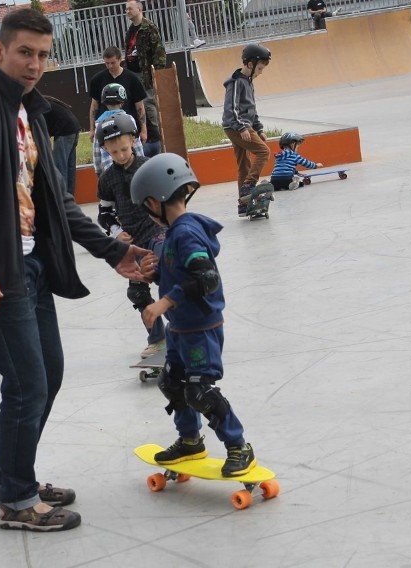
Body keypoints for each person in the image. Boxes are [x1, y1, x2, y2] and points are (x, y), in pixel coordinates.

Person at [0, 8, 151, 533]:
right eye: (24, 52)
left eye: (43, 55)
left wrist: (111, 251)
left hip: (30, 267)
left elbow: (55, 200)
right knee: (27, 382)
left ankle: (11, 476)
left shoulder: (29, 111)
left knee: (47, 375)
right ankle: (18, 500)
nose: (34, 64)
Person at [130, 152, 258, 478]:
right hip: (180, 329)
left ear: (152, 201)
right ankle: (190, 441)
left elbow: (205, 279)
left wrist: (163, 303)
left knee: (199, 391)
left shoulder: (186, 233)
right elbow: (177, 274)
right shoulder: (173, 234)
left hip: (201, 328)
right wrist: (151, 277)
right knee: (173, 382)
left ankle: (239, 446)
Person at [96, 112, 166, 359]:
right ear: (105, 149)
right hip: (133, 245)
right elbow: (104, 214)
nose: (120, 155)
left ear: (134, 140)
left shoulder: (148, 167)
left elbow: (168, 200)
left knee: (168, 279)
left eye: (124, 149)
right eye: (113, 152)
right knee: (137, 292)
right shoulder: (107, 179)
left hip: (157, 234)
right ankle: (158, 339)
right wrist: (116, 232)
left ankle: (186, 329)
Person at [222, 44, 272, 217]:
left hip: (243, 126)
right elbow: (231, 108)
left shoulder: (248, 83)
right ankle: (248, 186)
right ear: (250, 65)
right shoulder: (235, 82)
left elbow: (252, 109)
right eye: (259, 68)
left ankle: (243, 205)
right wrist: (242, 127)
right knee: (264, 152)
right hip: (236, 127)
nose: (260, 72)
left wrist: (258, 128)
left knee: (244, 165)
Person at [88, 46, 147, 144]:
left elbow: (140, 107)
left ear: (120, 60)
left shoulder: (132, 79)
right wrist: (92, 129)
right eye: (107, 63)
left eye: (113, 63)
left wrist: (144, 130)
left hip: (128, 127)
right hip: (106, 128)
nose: (110, 66)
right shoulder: (97, 80)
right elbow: (94, 106)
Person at [124, 0, 166, 137]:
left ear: (139, 9)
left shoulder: (149, 27)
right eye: (126, 9)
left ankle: (157, 135)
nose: (127, 11)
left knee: (148, 103)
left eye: (130, 9)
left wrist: (156, 74)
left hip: (146, 74)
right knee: (137, 105)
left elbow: (159, 52)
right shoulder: (131, 30)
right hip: (132, 73)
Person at [92, 83, 145, 177]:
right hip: (130, 167)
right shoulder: (129, 119)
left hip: (109, 170)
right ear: (122, 102)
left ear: (104, 103)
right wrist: (142, 161)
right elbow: (136, 143)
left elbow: (96, 149)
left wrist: (98, 170)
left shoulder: (99, 123)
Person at [43, 95, 81, 196]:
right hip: (74, 127)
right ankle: (70, 199)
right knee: (69, 166)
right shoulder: (45, 101)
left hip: (64, 130)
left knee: (60, 166)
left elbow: (43, 136)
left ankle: (61, 198)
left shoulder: (35, 107)